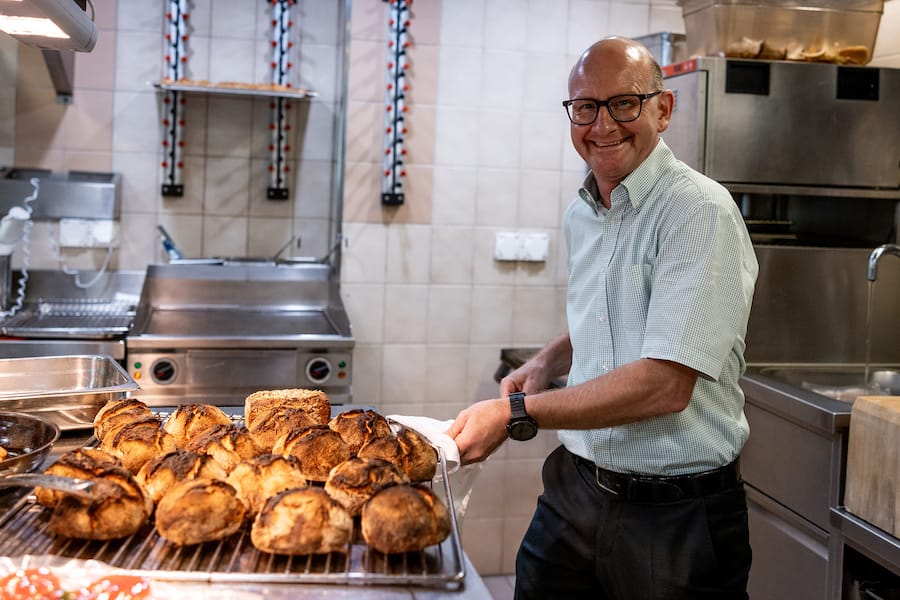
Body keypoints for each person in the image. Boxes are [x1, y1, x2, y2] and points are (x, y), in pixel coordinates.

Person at [447, 36, 758, 600]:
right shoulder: (584, 211)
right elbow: (613, 308)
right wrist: (548, 360)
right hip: (577, 488)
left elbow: (666, 384)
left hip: (675, 515)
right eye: (585, 107)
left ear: (662, 110)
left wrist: (516, 412)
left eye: (624, 103)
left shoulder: (698, 211)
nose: (603, 124)